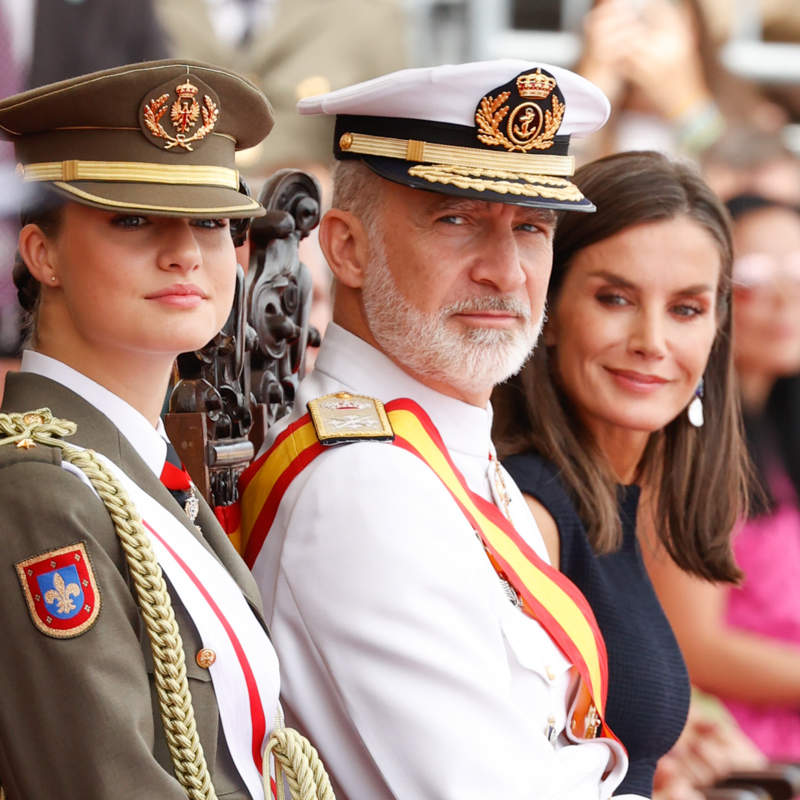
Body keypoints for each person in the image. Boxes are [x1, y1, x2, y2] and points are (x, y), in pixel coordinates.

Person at [235, 60, 648, 799]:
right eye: (455, 218)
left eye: (532, 227)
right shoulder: (366, 487)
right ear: (347, 248)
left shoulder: (437, 444)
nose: (506, 271)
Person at [0, 60, 327, 799]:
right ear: (41, 253)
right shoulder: (40, 492)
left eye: (212, 222)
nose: (185, 252)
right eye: (133, 218)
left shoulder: (135, 463)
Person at [492, 150, 750, 798]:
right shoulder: (533, 512)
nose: (652, 340)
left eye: (686, 310)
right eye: (615, 298)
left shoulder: (618, 499)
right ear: (547, 313)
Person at [645, 194, 800, 761]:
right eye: (757, 275)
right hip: (736, 752)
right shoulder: (686, 447)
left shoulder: (779, 425)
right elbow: (696, 646)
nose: (786, 296)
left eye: (799, 269)